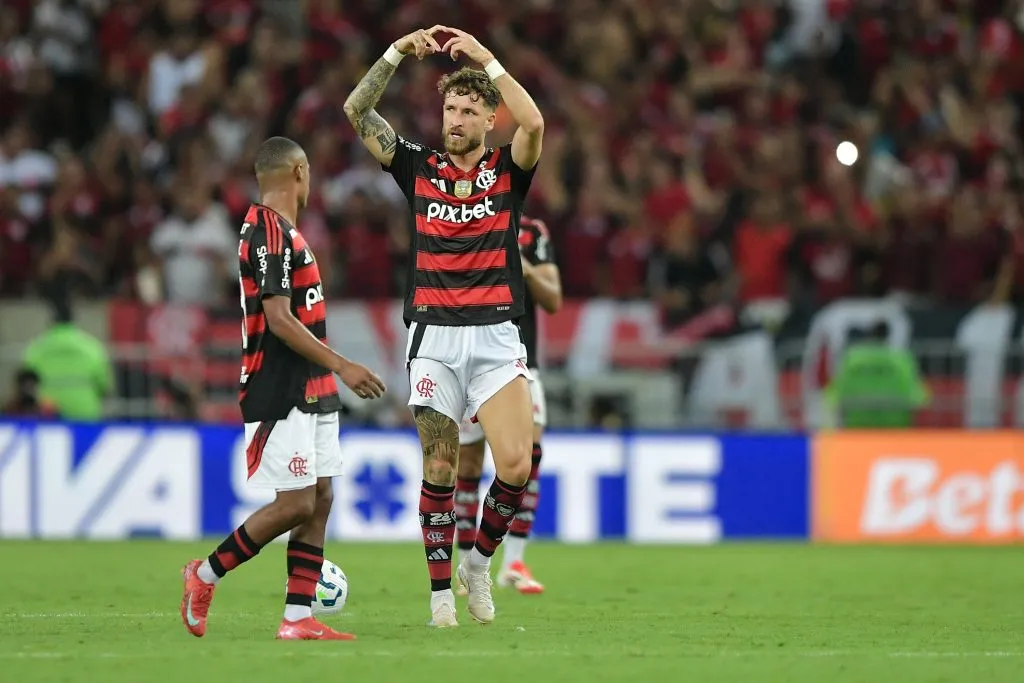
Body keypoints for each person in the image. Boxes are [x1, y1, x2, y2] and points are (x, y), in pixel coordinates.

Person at [344, 26, 545, 627]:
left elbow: (534, 124)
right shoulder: (417, 166)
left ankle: (479, 565)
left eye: (467, 110)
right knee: (438, 465)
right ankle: (439, 602)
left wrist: (488, 59)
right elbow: (357, 111)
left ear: (488, 118)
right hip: (433, 337)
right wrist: (395, 53)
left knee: (515, 465)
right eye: (448, 109)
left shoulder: (510, 171)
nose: (454, 119)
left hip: (496, 336)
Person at [179, 136, 386, 641]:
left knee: (321, 495)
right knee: (295, 503)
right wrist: (344, 365)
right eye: (310, 174)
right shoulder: (269, 230)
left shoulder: (287, 231)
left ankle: (297, 618)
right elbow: (278, 318)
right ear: (299, 171)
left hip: (311, 383)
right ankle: (204, 574)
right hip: (280, 383)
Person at [455, 216, 561, 594]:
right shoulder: (464, 218)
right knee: (467, 463)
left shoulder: (532, 232)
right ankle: (467, 557)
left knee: (528, 458)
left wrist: (524, 265)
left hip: (523, 366)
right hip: (472, 362)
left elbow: (553, 299)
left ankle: (513, 561)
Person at [21, 296, 113, 421]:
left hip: (49, 411)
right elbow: (104, 382)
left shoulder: (37, 348)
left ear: (52, 322)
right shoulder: (92, 347)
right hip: (85, 411)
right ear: (73, 321)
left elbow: (26, 379)